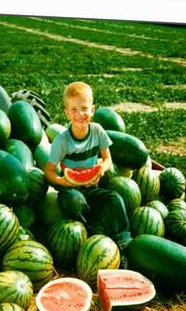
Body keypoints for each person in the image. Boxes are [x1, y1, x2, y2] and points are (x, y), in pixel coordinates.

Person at [44, 82, 130, 243]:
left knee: (115, 199)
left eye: (84, 108)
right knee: (74, 202)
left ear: (92, 110)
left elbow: (107, 159)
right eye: (74, 110)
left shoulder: (98, 131)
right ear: (67, 113)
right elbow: (48, 170)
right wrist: (61, 181)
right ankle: (90, 232)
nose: (80, 114)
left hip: (92, 188)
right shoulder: (61, 141)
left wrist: (101, 170)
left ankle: (123, 241)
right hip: (70, 190)